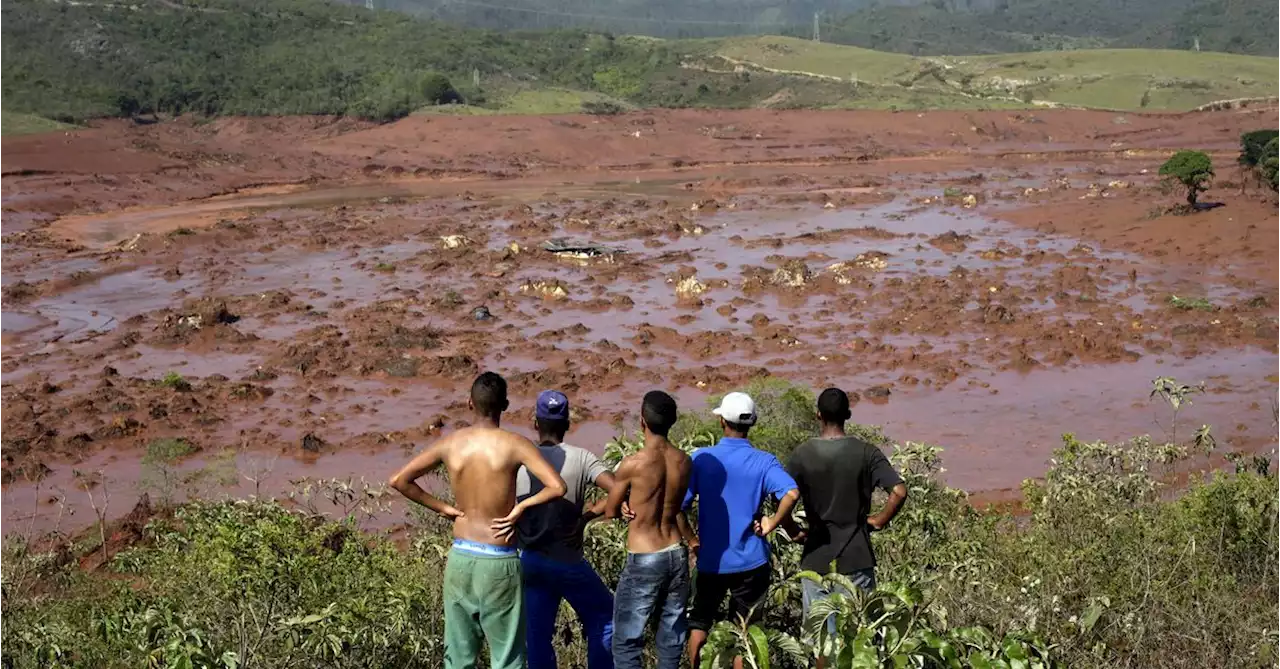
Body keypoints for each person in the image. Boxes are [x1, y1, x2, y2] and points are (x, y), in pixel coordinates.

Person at [388, 372, 567, 669]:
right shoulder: (516, 444)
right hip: (498, 560)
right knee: (507, 658)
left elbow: (399, 480)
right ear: (505, 405)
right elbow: (557, 487)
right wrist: (521, 508)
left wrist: (442, 507)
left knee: (458, 659)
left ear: (469, 403)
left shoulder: (451, 443)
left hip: (460, 558)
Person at [786, 387, 908, 661]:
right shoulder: (866, 452)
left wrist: (793, 531)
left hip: (816, 558)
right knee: (860, 640)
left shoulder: (802, 454)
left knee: (820, 641)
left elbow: (784, 498)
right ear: (848, 415)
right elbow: (899, 491)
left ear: (818, 415)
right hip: (856, 558)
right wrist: (879, 520)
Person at [683, 391, 801, 669]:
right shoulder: (764, 461)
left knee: (700, 621)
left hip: (711, 559)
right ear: (752, 424)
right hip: (751, 560)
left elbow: (680, 506)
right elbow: (791, 493)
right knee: (745, 630)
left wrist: (691, 540)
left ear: (722, 421)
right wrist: (772, 522)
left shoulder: (701, 458)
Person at [516, 390, 618, 669]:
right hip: (569, 562)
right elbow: (618, 489)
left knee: (537, 636)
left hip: (531, 560)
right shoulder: (583, 458)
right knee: (606, 618)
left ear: (535, 423)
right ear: (568, 424)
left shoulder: (521, 462)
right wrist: (587, 517)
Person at [603, 390, 695, 669]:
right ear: (672, 422)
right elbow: (675, 506)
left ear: (642, 421)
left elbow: (609, 510)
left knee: (627, 639)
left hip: (645, 556)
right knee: (671, 636)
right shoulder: (684, 461)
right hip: (676, 553)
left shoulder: (633, 464)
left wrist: (621, 507)